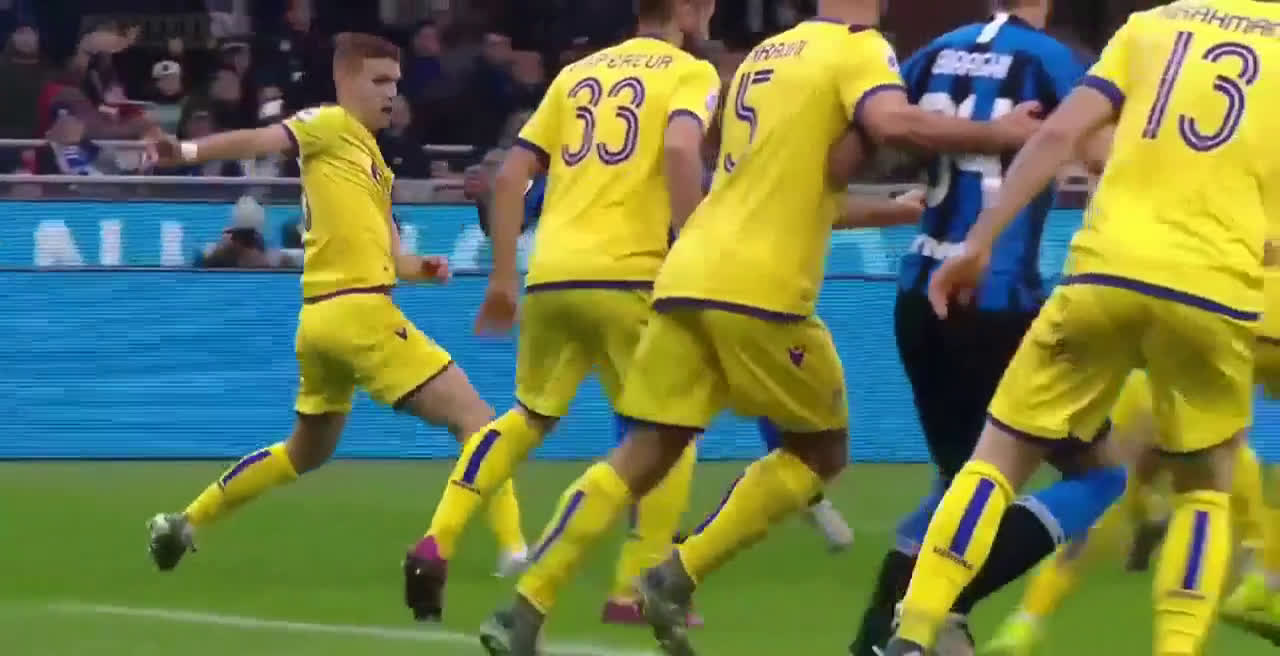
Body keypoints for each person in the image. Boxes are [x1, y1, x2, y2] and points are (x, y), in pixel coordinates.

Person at [478, 0, 1044, 651]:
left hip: (686, 275)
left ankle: (526, 605)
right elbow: (892, 122)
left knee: (643, 451)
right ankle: (676, 574)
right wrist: (998, 133)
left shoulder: (762, 59)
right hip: (762, 291)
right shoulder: (860, 47)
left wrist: (888, 210)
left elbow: (795, 181)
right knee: (821, 451)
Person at [883, 2, 1280, 654]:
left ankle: (915, 630)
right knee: (1206, 490)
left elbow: (1056, 136)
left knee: (997, 459)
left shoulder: (1151, 26)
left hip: (1104, 273)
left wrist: (979, 241)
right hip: (1212, 290)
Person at [142, 33, 527, 579]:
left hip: (321, 321)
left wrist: (421, 268)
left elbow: (394, 257)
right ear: (345, 81)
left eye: (396, 82)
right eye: (379, 80)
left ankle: (184, 523)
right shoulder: (328, 123)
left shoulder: (374, 164)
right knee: (479, 422)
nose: (391, 92)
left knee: (305, 451)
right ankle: (514, 549)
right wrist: (186, 152)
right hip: (358, 314)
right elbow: (261, 138)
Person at [405, 0, 723, 627]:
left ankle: (439, 536)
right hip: (629, 273)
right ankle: (635, 588)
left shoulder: (577, 75)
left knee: (528, 416)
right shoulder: (691, 72)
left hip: (550, 273)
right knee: (671, 428)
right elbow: (681, 152)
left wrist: (503, 277)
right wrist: (697, 248)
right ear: (686, 10)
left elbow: (508, 178)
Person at [850, 3, 1132, 653]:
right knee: (1100, 474)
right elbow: (1101, 156)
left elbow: (882, 136)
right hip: (995, 296)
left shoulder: (933, 53)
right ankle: (932, 608)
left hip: (919, 292)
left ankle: (875, 638)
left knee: (960, 484)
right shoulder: (1052, 60)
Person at [984, 369, 1271, 654]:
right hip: (1193, 406)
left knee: (1104, 514)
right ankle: (1254, 583)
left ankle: (1025, 621)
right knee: (1209, 501)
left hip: (1147, 397)